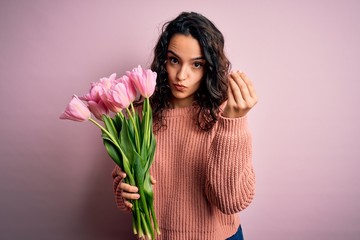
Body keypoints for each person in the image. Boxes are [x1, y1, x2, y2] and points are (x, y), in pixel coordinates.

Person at [112, 11, 257, 240]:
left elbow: (232, 202)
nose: (181, 75)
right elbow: (123, 186)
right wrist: (124, 192)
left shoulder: (225, 114)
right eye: (174, 60)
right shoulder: (139, 115)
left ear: (209, 67)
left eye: (196, 64)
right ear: (163, 61)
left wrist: (233, 123)